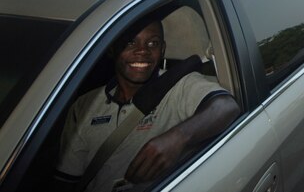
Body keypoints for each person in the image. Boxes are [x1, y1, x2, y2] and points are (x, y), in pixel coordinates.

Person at [54, 13, 240, 192]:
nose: (142, 50)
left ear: (162, 50)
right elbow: (67, 180)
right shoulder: (85, 105)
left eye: (153, 43)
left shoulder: (179, 85)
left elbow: (225, 106)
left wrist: (178, 137)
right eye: (130, 42)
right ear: (111, 49)